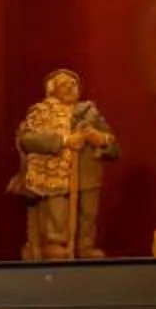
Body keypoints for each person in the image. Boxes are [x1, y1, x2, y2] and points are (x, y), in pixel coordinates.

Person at [8, 68, 117, 261]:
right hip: (55, 174)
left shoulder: (89, 112)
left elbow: (115, 149)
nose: (70, 88)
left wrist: (100, 139)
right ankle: (55, 244)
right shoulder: (41, 112)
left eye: (73, 84)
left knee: (88, 215)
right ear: (52, 90)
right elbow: (28, 140)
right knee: (56, 215)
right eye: (63, 84)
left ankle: (84, 247)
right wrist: (64, 141)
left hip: (88, 174)